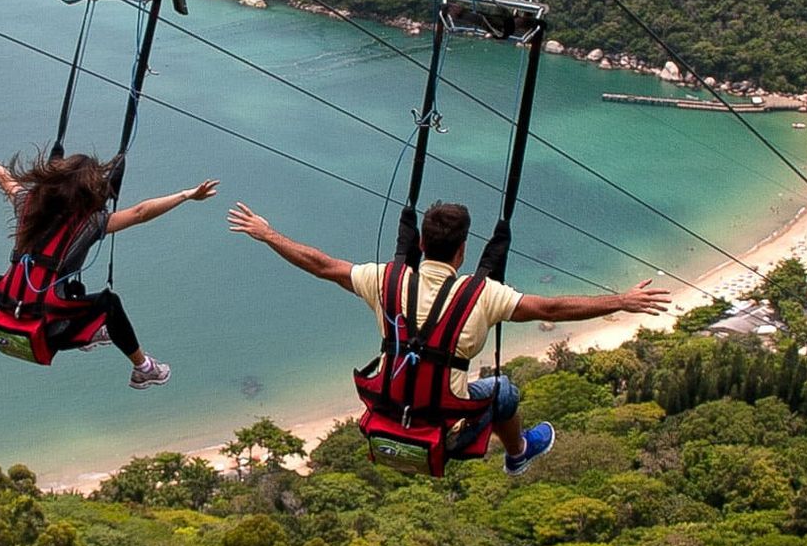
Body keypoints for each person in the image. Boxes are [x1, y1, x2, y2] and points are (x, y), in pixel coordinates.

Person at [228, 199, 670, 474]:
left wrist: (268, 234)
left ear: (420, 245)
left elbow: (322, 265)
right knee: (504, 390)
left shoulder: (386, 281)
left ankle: (513, 450)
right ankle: (517, 452)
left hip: (389, 405)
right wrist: (620, 301)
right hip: (445, 419)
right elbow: (551, 309)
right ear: (461, 252)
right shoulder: (482, 296)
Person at [0, 133, 217, 389]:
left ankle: (93, 331)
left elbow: (3, 177)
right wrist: (186, 195)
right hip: (48, 331)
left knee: (72, 294)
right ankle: (144, 369)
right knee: (109, 304)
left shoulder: (27, 205)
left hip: (10, 315)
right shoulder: (88, 224)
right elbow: (140, 213)